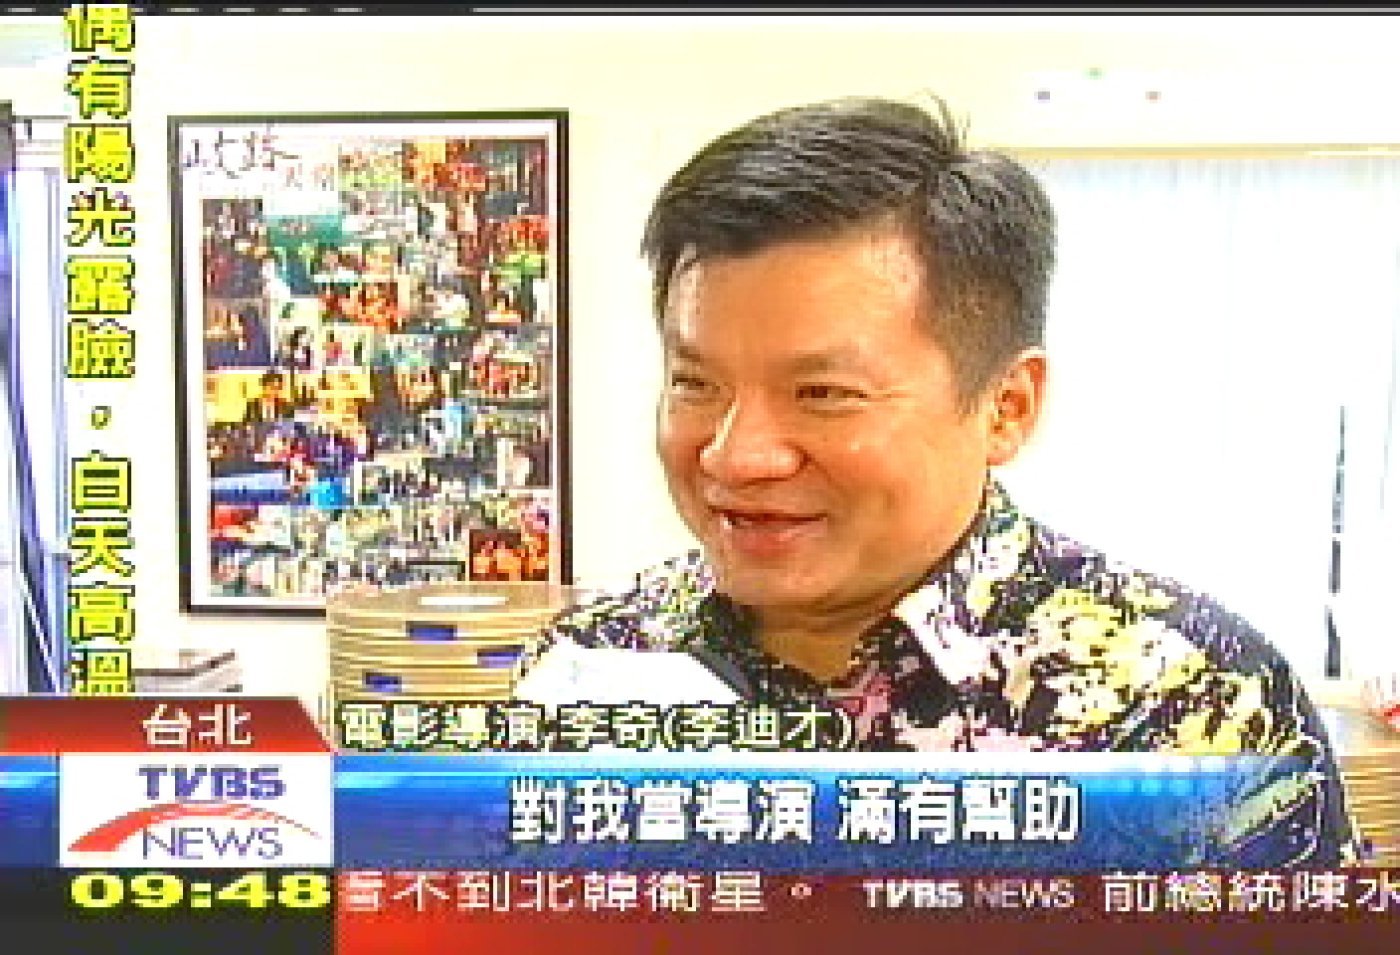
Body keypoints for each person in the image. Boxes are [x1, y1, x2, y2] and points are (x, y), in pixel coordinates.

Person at [512, 95, 1365, 867]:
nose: (736, 456)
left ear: (1006, 407)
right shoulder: (594, 659)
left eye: (822, 393)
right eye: (695, 382)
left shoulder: (1193, 704)